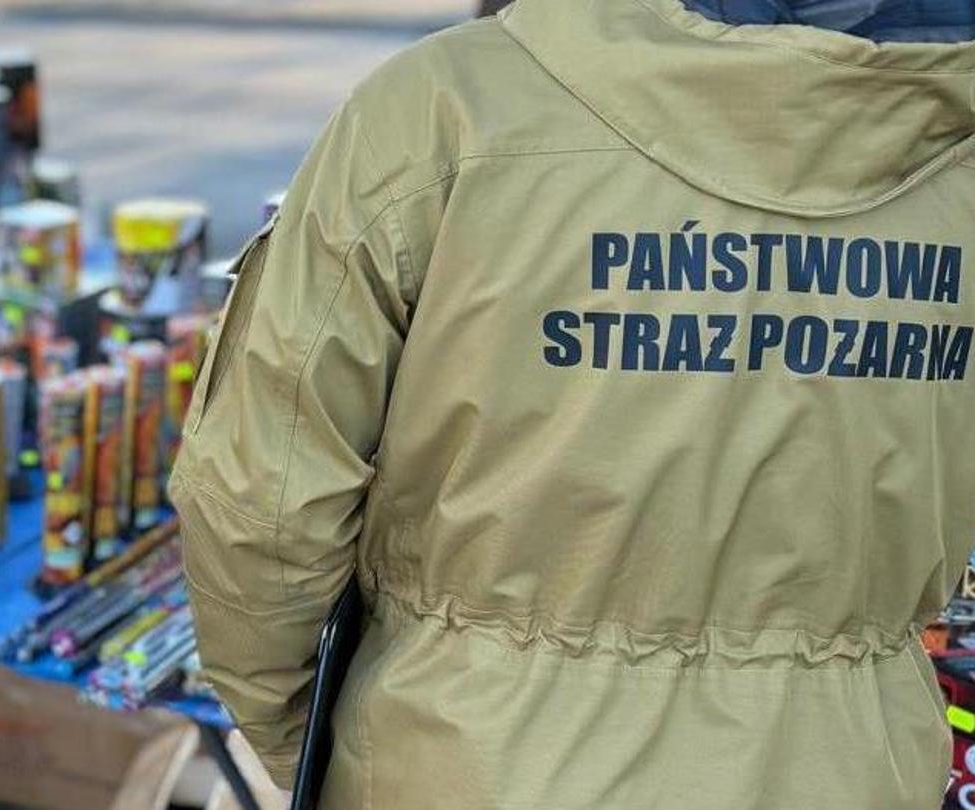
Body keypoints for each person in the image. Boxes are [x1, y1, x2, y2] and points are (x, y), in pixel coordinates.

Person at [169, 0, 975, 807]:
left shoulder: (444, 111)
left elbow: (261, 505)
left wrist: (314, 735)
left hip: (467, 761)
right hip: (845, 770)